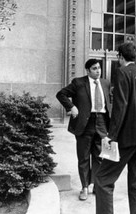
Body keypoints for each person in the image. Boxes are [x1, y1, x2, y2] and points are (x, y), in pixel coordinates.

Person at [95, 42, 136, 214]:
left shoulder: (122, 73)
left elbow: (120, 107)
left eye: (118, 57)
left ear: (121, 57)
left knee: (103, 180)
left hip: (125, 139)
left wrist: (111, 136)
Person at [56, 58, 112, 201]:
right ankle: (84, 187)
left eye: (99, 68)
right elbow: (61, 94)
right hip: (84, 124)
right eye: (94, 68)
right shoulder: (78, 83)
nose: (98, 70)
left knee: (100, 157)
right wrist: (71, 107)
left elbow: (110, 102)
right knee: (84, 157)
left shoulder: (105, 83)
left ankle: (94, 185)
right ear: (87, 71)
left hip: (102, 123)